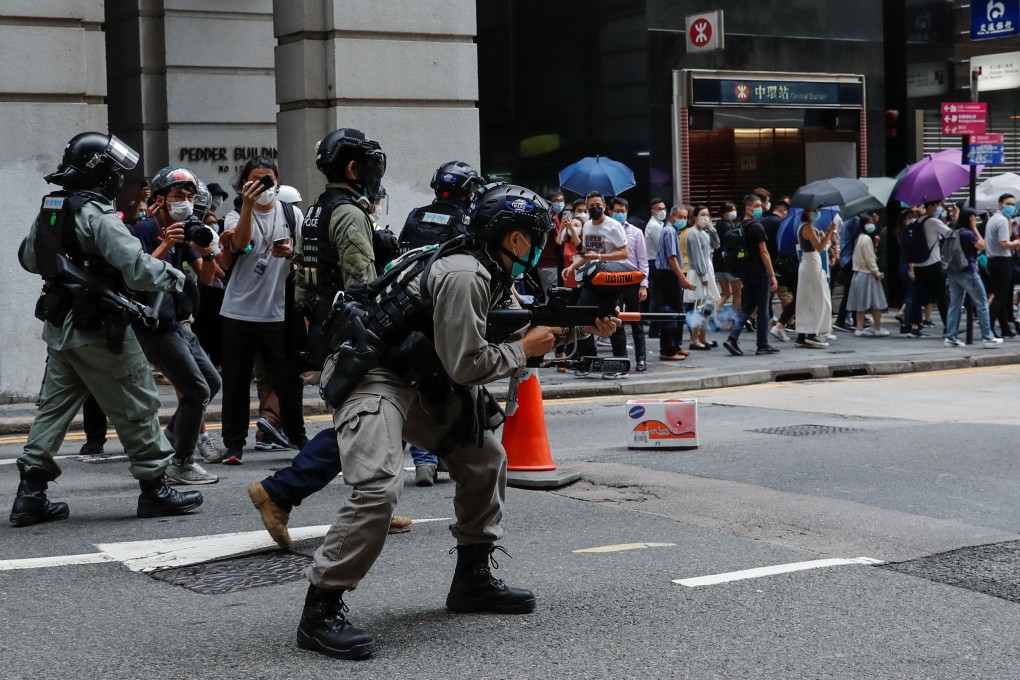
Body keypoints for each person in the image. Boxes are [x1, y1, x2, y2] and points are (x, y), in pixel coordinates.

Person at [294, 182, 620, 659]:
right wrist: (522, 349)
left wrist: (578, 326)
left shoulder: (490, 268)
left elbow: (513, 334)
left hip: (423, 377)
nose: (543, 243)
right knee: (379, 488)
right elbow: (467, 364)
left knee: (483, 457)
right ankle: (320, 608)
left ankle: (472, 578)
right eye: (537, 234)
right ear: (514, 239)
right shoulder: (466, 273)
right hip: (376, 377)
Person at [10, 131, 203, 526]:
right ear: (102, 176)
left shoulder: (52, 207)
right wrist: (179, 278)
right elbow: (138, 270)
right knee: (138, 402)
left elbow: (29, 259)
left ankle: (30, 494)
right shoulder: (97, 216)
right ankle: (155, 489)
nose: (120, 179)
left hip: (62, 327)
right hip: (101, 329)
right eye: (115, 172)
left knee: (54, 408)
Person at [248, 128, 410, 544]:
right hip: (357, 333)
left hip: (327, 327)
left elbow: (302, 280)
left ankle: (376, 499)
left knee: (369, 416)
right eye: (371, 164)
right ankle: (279, 490)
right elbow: (363, 283)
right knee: (371, 416)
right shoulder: (350, 213)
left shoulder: (319, 209)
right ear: (355, 168)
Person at [131, 166, 221, 484]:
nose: (185, 201)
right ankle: (182, 462)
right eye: (178, 196)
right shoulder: (145, 230)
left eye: (190, 196)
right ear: (160, 199)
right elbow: (134, 278)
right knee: (196, 391)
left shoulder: (184, 229)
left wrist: (207, 251)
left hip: (179, 322)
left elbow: (209, 278)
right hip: (153, 326)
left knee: (211, 384)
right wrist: (165, 244)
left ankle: (173, 441)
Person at [398, 160, 485, 485]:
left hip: (407, 309)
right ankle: (433, 458)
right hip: (443, 312)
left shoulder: (416, 215)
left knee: (417, 382)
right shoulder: (464, 221)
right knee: (444, 385)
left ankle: (430, 459)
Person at [218, 156, 307, 465]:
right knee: (236, 380)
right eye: (255, 180)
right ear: (245, 184)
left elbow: (305, 258)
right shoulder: (233, 216)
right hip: (239, 312)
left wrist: (292, 254)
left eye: (267, 179)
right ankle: (233, 444)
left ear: (277, 180)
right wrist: (247, 206)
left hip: (279, 313)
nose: (263, 186)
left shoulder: (292, 214)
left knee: (288, 379)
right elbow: (240, 245)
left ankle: (297, 435)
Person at [562, 191, 629, 376]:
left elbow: (624, 253)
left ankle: (620, 364)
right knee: (583, 317)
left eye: (598, 205)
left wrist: (600, 256)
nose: (595, 208)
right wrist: (573, 266)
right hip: (591, 278)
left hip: (611, 280)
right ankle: (588, 362)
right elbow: (586, 252)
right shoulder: (588, 226)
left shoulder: (613, 226)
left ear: (604, 205)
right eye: (591, 206)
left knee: (611, 319)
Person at [723, 195, 779, 356]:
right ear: (748, 208)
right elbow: (764, 252)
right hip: (760, 273)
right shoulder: (757, 227)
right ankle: (762, 345)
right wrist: (772, 275)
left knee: (747, 306)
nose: (759, 208)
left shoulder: (741, 225)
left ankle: (732, 338)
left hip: (746, 272)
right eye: (756, 205)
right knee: (763, 309)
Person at [944, 206, 1003, 348]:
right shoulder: (968, 234)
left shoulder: (953, 231)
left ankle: (950, 337)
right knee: (982, 303)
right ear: (971, 219)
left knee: (955, 305)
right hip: (968, 271)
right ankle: (987, 337)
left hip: (953, 272)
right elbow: (982, 245)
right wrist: (974, 228)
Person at [606, 196, 648, 375]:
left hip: (633, 280)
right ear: (610, 211)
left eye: (623, 211)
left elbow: (643, 260)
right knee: (616, 321)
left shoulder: (636, 232)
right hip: (613, 280)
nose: (620, 214)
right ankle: (621, 361)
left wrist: (644, 285)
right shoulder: (606, 230)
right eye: (617, 211)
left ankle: (641, 359)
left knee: (636, 322)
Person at [902, 200, 950, 338]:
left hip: (918, 265)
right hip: (934, 264)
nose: (940, 209)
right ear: (930, 207)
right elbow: (950, 234)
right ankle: (949, 326)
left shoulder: (915, 222)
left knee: (917, 296)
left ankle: (913, 326)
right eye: (938, 206)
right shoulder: (934, 222)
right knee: (942, 297)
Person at [654, 205, 696, 360]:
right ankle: (667, 350)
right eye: (680, 217)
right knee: (669, 313)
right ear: (672, 217)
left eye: (685, 217)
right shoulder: (670, 231)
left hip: (670, 275)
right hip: (667, 276)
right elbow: (671, 258)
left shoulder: (672, 231)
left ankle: (675, 346)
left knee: (677, 311)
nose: (683, 220)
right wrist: (682, 277)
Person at [792, 207, 836, 349]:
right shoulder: (808, 227)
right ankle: (811, 333)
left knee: (809, 298)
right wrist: (830, 232)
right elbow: (819, 247)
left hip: (810, 262)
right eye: (814, 210)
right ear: (806, 212)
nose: (817, 213)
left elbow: (817, 244)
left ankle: (803, 335)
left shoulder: (805, 227)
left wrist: (823, 237)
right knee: (815, 298)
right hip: (811, 263)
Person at [846, 220, 889, 337]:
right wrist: (877, 273)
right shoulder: (866, 239)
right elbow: (870, 259)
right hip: (868, 274)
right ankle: (877, 328)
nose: (871, 224)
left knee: (861, 304)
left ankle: (859, 328)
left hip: (859, 273)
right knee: (877, 302)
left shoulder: (859, 238)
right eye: (869, 222)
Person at [984, 193, 1019, 339]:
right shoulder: (1001, 221)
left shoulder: (995, 219)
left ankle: (1005, 328)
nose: (1011, 206)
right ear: (1000, 204)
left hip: (993, 261)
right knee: (1000, 297)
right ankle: (989, 327)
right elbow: (1004, 243)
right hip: (1001, 261)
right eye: (1008, 203)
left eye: (1013, 204)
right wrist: (1017, 243)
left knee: (1002, 297)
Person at [686, 206, 721, 350]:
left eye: (707, 215)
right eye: (702, 215)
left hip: (708, 268)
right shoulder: (693, 233)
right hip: (699, 273)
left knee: (707, 306)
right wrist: (703, 276)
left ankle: (703, 336)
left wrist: (712, 229)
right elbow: (697, 257)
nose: (705, 218)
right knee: (698, 306)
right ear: (695, 217)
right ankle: (694, 339)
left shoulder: (705, 232)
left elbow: (717, 245)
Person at [714, 201, 742, 325]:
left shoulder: (717, 225)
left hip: (718, 264)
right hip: (730, 265)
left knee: (725, 293)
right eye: (730, 210)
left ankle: (712, 314)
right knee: (737, 292)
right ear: (724, 213)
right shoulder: (729, 227)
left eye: (734, 209)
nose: (733, 212)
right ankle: (735, 320)